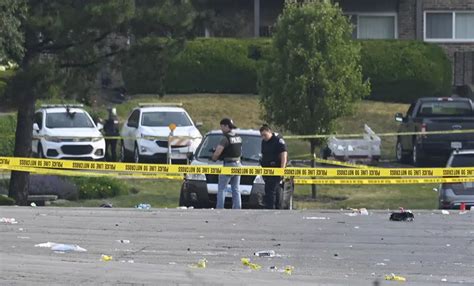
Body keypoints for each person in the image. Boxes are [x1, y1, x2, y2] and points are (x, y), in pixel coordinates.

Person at [211, 118, 242, 209]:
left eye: (222, 127)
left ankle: (220, 208)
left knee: (222, 188)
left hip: (228, 165)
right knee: (236, 188)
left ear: (226, 126)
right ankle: (237, 208)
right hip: (238, 164)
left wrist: (213, 158)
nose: (221, 129)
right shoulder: (238, 137)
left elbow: (218, 152)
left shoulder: (225, 138)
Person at [260, 124, 288, 209]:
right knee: (269, 190)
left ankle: (271, 208)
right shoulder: (264, 142)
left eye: (265, 135)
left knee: (272, 190)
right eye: (262, 135)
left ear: (270, 132)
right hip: (267, 170)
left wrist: (282, 170)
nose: (263, 137)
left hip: (276, 169)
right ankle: (272, 207)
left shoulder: (278, 141)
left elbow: (284, 155)